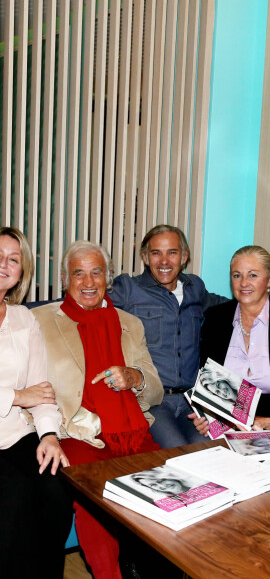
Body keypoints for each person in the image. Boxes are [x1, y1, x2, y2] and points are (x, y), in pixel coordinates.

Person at [33, 241, 164, 579]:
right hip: (79, 434)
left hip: (133, 430)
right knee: (96, 506)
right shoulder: (39, 321)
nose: (89, 282)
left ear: (108, 277)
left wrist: (134, 376)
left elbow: (156, 389)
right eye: (79, 273)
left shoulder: (130, 324)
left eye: (97, 272)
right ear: (65, 279)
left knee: (170, 492)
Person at [109, 224, 228, 448]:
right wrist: (25, 309)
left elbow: (229, 307)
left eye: (172, 252)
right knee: (176, 453)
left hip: (192, 401)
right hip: (151, 401)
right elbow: (84, 300)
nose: (164, 261)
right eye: (156, 253)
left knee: (211, 450)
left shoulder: (195, 288)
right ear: (145, 256)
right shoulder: (128, 289)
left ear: (184, 256)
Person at [0, 227, 72, 579]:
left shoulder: (24, 318)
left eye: (13, 259)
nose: (4, 264)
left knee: (56, 492)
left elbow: (42, 392)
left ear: (21, 271)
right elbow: (26, 394)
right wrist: (16, 396)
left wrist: (49, 436)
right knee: (13, 498)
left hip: (13, 434)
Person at [194, 245, 270, 431]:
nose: (244, 283)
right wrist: (206, 416)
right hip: (226, 422)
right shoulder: (215, 318)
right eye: (237, 275)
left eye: (253, 275)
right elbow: (208, 382)